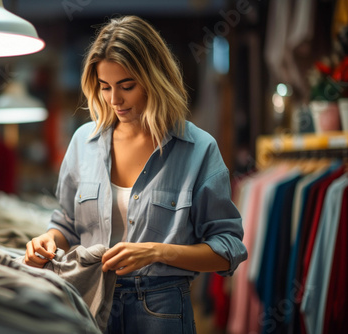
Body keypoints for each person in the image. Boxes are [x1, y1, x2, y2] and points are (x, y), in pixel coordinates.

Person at [24, 15, 247, 333]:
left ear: (155, 79)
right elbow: (66, 224)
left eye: (127, 86)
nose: (114, 100)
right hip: (87, 300)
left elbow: (229, 248)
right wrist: (48, 239)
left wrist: (157, 251)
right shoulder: (82, 143)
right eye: (105, 87)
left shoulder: (197, 149)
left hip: (161, 307)